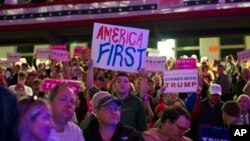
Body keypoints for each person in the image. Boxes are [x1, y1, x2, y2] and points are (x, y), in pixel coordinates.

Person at [87, 59, 147, 132]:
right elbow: (91, 86)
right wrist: (90, 68)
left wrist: (144, 78)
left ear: (129, 86)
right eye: (119, 81)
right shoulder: (106, 99)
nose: (122, 83)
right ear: (115, 84)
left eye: (125, 82)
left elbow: (142, 129)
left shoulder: (137, 103)